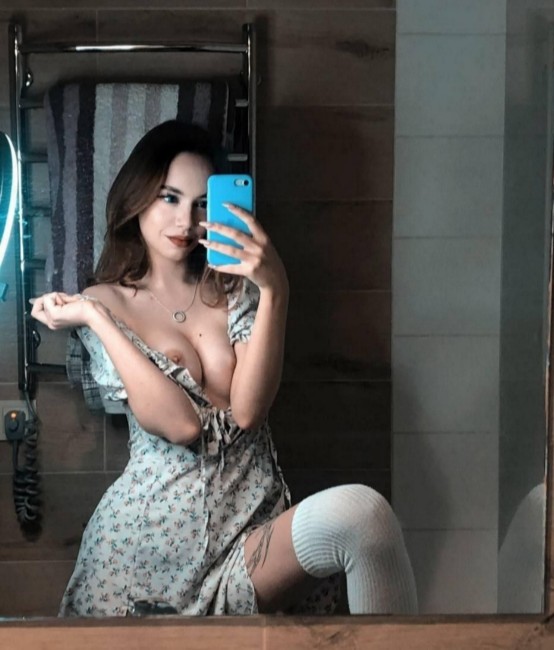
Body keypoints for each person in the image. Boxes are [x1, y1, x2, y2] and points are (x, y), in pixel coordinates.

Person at [31, 120, 418, 617]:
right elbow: (180, 425)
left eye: (201, 203)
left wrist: (276, 287)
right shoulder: (104, 302)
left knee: (365, 517)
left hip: (247, 532)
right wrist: (95, 317)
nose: (185, 220)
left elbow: (249, 410)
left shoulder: (235, 289)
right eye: (169, 198)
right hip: (147, 551)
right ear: (137, 199)